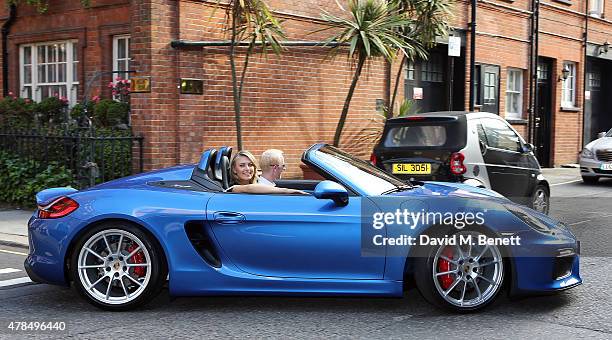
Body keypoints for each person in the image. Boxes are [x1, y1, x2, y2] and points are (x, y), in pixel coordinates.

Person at [228, 150, 306, 195]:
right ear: (234, 169)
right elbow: (249, 188)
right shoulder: (233, 188)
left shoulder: (259, 184)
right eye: (242, 165)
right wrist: (289, 191)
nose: (247, 168)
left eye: (250, 165)